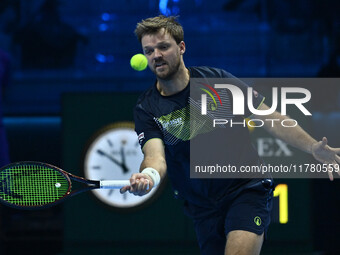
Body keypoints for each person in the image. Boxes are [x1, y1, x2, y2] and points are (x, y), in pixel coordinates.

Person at [120, 15, 340, 255]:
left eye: (163, 47)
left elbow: (270, 118)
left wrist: (312, 147)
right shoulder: (147, 108)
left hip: (245, 188)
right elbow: (155, 157)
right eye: (149, 50)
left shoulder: (216, 81)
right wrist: (148, 176)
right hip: (202, 206)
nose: (156, 56)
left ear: (181, 47)